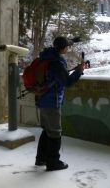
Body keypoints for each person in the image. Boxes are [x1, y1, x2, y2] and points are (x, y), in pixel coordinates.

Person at [35, 36, 86, 171]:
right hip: (52, 101)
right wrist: (79, 71)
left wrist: (73, 40)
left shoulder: (47, 56)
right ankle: (53, 162)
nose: (68, 48)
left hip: (42, 99)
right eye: (67, 47)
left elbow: (57, 76)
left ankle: (40, 158)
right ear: (63, 48)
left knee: (47, 130)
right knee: (55, 132)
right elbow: (67, 82)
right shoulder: (57, 62)